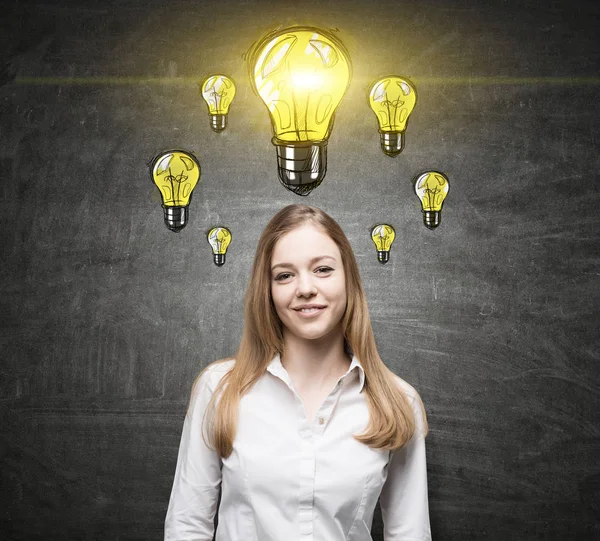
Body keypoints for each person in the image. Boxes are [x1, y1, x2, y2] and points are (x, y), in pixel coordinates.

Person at [164, 204, 431, 541]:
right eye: (285, 275)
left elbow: (409, 534)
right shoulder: (219, 389)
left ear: (348, 279)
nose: (305, 288)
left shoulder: (397, 403)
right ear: (269, 290)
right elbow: (187, 527)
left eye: (322, 269)